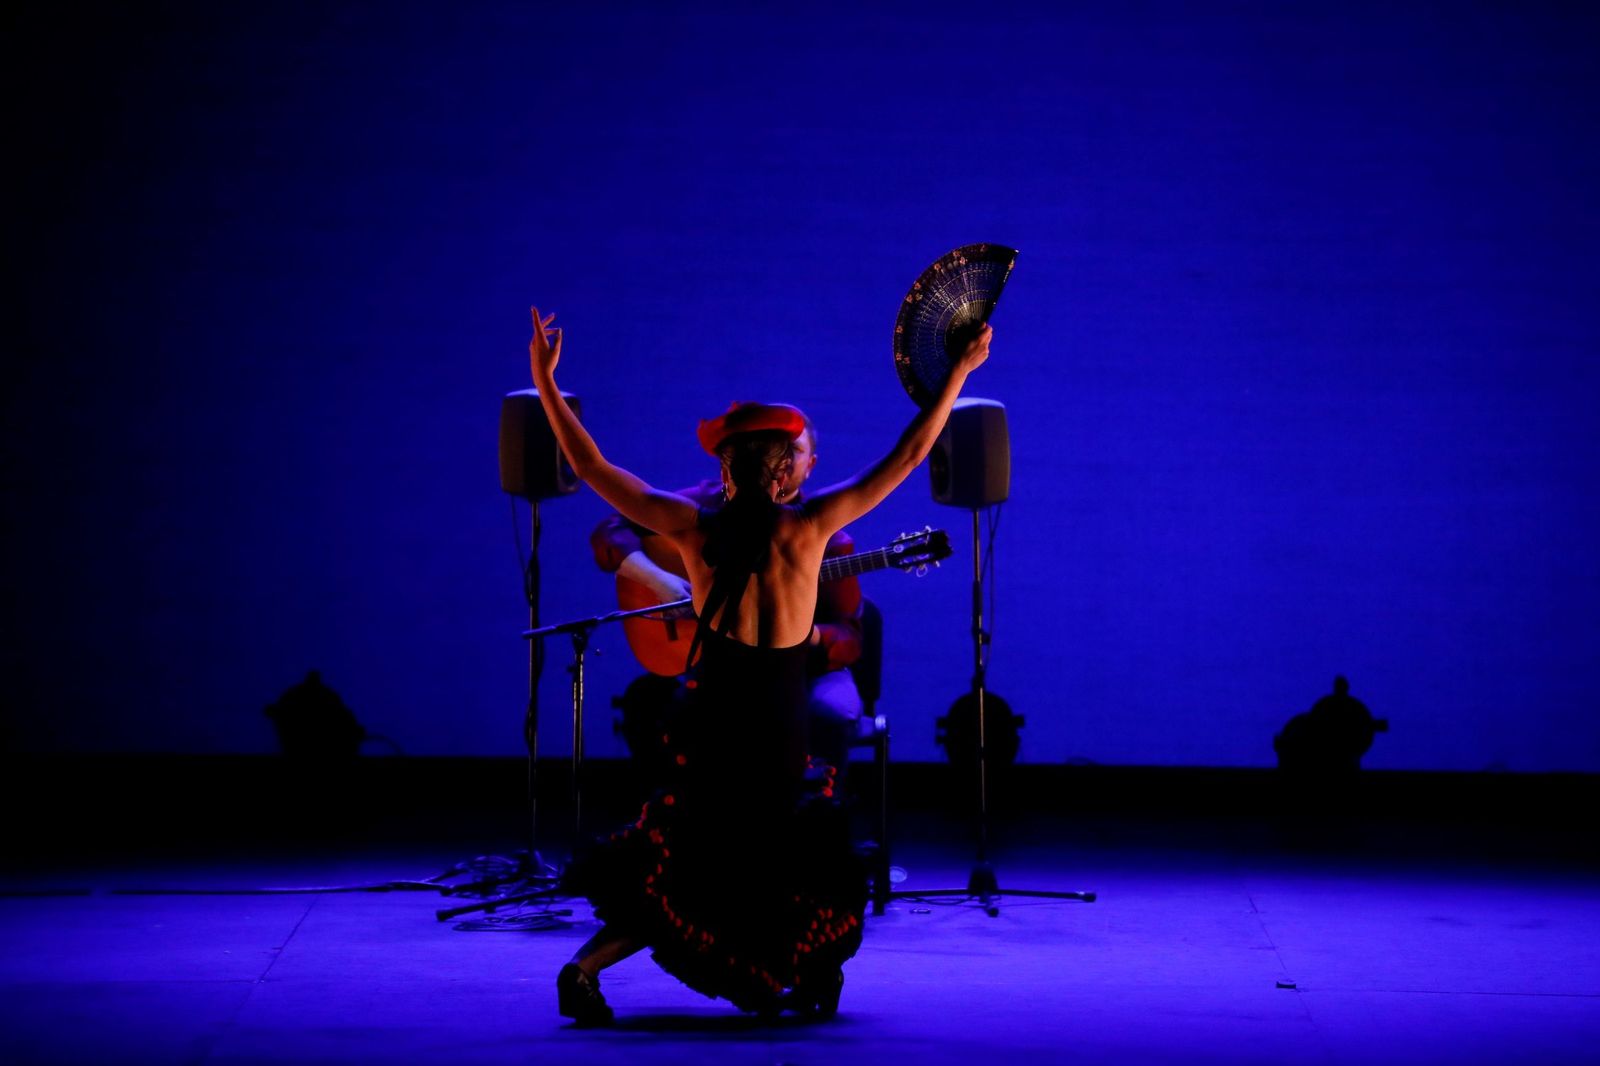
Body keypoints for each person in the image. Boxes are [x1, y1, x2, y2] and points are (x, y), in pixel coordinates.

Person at [527, 304, 990, 1024]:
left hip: (716, 717)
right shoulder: (812, 526)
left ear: (728, 470)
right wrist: (957, 371)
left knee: (694, 860)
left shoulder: (691, 530)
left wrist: (544, 384)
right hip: (776, 726)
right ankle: (795, 973)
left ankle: (588, 967)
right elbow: (906, 455)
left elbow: (590, 467)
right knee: (771, 856)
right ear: (783, 473)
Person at [590, 406, 866, 770]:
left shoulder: (825, 535)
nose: (776, 462)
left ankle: (822, 808)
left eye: (791, 452)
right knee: (649, 702)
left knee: (828, 712)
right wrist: (661, 581)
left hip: (802, 673)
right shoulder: (700, 513)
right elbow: (613, 529)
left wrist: (806, 633)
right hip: (713, 672)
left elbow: (850, 640)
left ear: (806, 465)